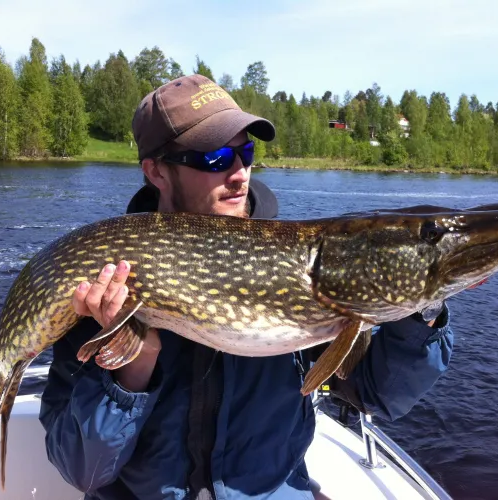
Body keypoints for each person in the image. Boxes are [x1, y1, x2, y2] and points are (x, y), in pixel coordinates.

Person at [39, 74, 454, 500]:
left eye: (246, 152)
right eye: (216, 158)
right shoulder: (101, 287)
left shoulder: (295, 268)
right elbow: (81, 470)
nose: (239, 174)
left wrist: (421, 306)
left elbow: (377, 395)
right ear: (156, 172)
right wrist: (132, 365)